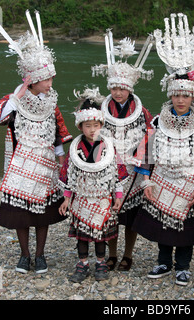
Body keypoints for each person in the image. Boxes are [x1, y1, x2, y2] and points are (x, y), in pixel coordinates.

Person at [132, 13, 194, 286]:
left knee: (186, 226)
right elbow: (147, 152)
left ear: (193, 96)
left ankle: (183, 266)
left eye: (186, 95)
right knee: (163, 225)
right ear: (170, 95)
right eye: (177, 95)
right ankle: (163, 262)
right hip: (162, 180)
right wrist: (145, 179)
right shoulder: (156, 121)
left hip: (189, 181)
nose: (181, 100)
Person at [0, 11, 72, 274]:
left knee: (42, 214)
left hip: (45, 163)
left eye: (51, 78)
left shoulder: (51, 103)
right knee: (20, 213)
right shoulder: (15, 101)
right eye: (47, 79)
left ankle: (41, 254)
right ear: (34, 80)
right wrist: (17, 96)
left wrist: (61, 163)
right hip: (21, 163)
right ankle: (24, 255)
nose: (51, 83)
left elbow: (59, 135)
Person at [91, 31, 154, 271]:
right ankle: (112, 253)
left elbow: (149, 139)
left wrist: (143, 165)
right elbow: (91, 136)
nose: (118, 93)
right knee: (111, 215)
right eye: (114, 88)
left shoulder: (142, 112)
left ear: (129, 89)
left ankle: (128, 254)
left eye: (122, 89)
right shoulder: (100, 109)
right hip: (108, 171)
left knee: (131, 217)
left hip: (134, 171)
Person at [58, 87, 123, 282]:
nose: (92, 129)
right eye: (88, 126)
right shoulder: (75, 148)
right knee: (83, 236)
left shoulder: (109, 148)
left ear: (101, 124)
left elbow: (117, 175)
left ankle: (101, 262)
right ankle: (83, 263)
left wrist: (118, 197)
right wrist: (66, 199)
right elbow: (69, 175)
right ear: (80, 127)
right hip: (82, 197)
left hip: (102, 198)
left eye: (96, 125)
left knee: (100, 235)